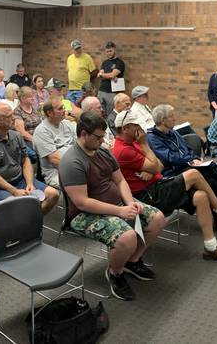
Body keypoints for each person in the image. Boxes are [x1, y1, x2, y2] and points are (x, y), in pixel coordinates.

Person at [111, 110, 217, 264]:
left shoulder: (133, 141)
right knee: (193, 174)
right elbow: (156, 166)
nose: (141, 130)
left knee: (201, 197)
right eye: (136, 126)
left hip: (157, 184)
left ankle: (211, 248)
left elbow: (159, 164)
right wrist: (145, 148)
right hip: (148, 195)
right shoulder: (124, 149)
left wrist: (150, 170)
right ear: (125, 129)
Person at [59, 112, 164, 301]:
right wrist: (120, 210)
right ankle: (115, 273)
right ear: (83, 134)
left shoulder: (103, 152)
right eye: (98, 137)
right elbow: (82, 202)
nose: (102, 141)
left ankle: (132, 261)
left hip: (116, 204)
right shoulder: (72, 162)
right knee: (127, 237)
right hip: (84, 214)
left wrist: (130, 201)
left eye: (102, 136)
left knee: (156, 219)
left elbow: (121, 180)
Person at [148, 104, 217, 209]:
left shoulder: (173, 132)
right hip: (173, 171)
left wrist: (195, 158)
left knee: (211, 173)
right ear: (162, 120)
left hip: (184, 165)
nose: (174, 118)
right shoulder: (153, 138)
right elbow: (169, 157)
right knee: (211, 170)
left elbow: (187, 148)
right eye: (171, 116)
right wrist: (190, 161)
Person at [0, 103, 59, 214]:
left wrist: (30, 183)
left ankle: (31, 222)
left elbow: (25, 160)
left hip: (20, 180)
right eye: (9, 116)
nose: (14, 118)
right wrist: (14, 191)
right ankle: (26, 224)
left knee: (53, 195)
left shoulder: (16, 136)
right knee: (18, 205)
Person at [32, 96, 77, 189]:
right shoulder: (42, 131)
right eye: (60, 109)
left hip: (75, 164)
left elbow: (79, 145)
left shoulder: (67, 124)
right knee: (80, 184)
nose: (64, 111)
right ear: (49, 113)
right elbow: (55, 160)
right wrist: (79, 169)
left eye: (63, 107)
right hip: (56, 172)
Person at [66, 39, 97, 105]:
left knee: (80, 108)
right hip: (71, 89)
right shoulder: (69, 58)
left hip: (81, 90)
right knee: (67, 107)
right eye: (76, 49)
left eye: (79, 48)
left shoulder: (87, 57)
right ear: (72, 49)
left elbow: (94, 71)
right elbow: (69, 71)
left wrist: (86, 79)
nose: (78, 50)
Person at [98, 41, 126, 116]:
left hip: (112, 93)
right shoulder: (105, 62)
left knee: (111, 114)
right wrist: (105, 75)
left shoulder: (119, 63)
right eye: (107, 52)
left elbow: (112, 75)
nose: (109, 53)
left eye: (110, 51)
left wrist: (103, 75)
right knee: (101, 113)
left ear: (114, 49)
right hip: (101, 91)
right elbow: (99, 74)